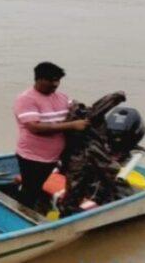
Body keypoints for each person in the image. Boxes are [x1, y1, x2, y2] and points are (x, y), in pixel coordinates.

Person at [13, 62, 88, 210]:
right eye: (52, 80)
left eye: (58, 80)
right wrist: (72, 125)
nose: (55, 84)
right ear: (39, 79)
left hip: (54, 156)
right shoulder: (26, 99)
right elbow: (35, 127)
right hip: (32, 157)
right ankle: (21, 213)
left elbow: (77, 110)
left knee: (38, 185)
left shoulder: (62, 97)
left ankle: (36, 206)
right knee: (30, 188)